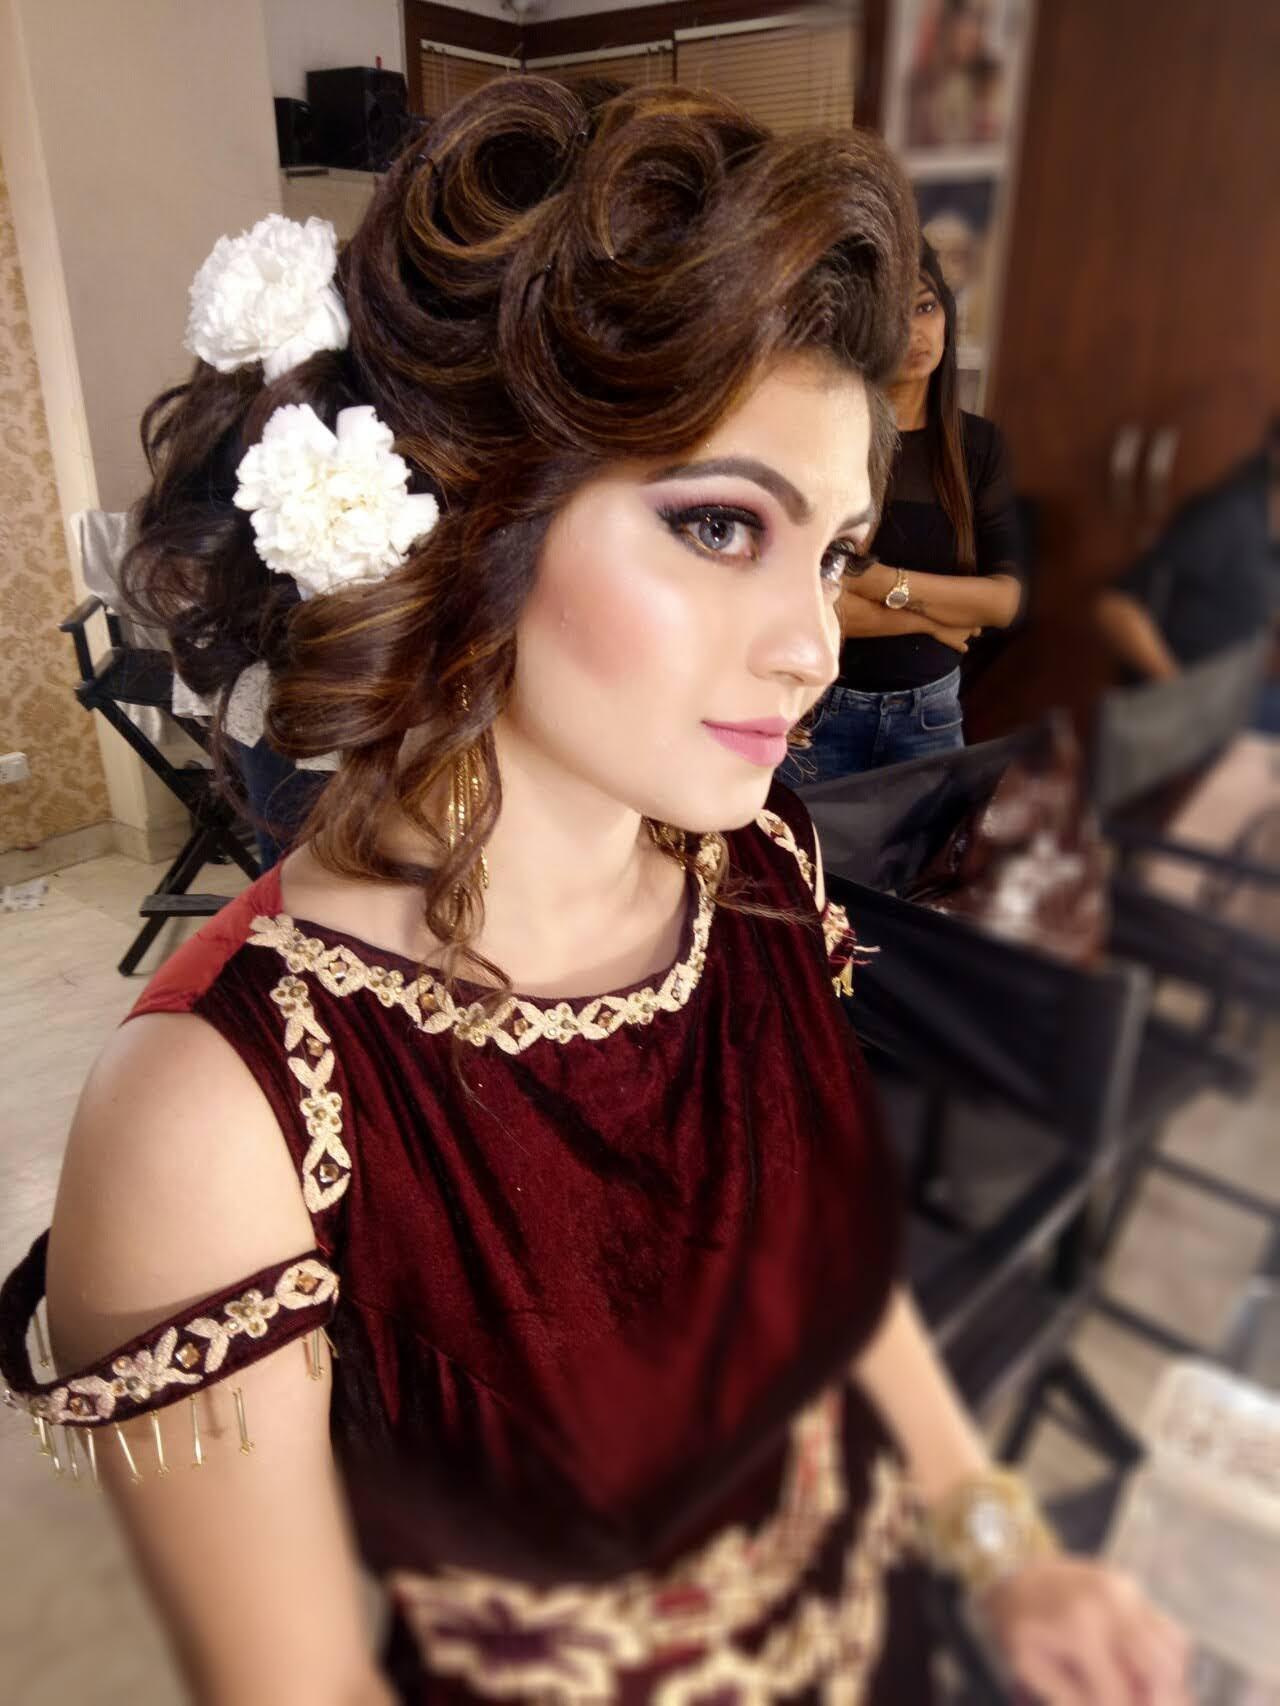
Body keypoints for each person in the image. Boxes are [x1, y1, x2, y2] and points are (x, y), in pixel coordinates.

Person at [0, 81, 1186, 1705]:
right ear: (463, 514)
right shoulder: (221, 1120)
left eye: (833, 554)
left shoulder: (756, 874)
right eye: (721, 526)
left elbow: (836, 1276)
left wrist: (1004, 1547)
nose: (812, 642)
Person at [783, 242, 1023, 784]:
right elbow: (816, 602)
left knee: (930, 844)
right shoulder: (830, 439)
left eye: (926, 307)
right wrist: (938, 620)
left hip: (931, 717)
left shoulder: (977, 446)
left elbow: (1005, 601)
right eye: (894, 317)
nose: (916, 333)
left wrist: (877, 580)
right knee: (805, 842)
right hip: (823, 709)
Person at [1095, 420, 1279, 726]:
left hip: (1236, 692)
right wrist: (1179, 694)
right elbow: (1114, 606)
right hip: (1184, 706)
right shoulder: (1227, 518)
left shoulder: (1271, 529)